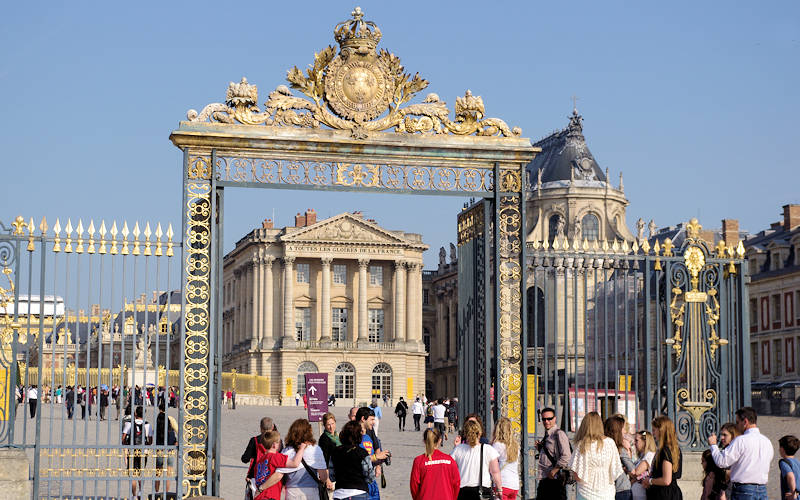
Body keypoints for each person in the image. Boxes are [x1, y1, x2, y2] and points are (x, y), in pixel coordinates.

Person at [708, 407, 772, 500]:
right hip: (762, 489)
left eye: (738, 422)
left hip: (744, 490)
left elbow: (721, 461)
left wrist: (713, 445)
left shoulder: (741, 440)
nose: (737, 426)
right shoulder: (767, 442)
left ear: (745, 422)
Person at [569, 411, 623, 500]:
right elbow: (616, 470)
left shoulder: (582, 444)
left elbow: (577, 474)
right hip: (607, 493)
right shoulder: (610, 443)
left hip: (585, 492)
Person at [276, 418, 330, 500]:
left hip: (292, 492)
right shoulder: (315, 449)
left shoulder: (286, 451)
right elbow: (323, 477)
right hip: (311, 492)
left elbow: (279, 474)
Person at [450, 419, 502, 500]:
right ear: (480, 433)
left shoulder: (458, 449)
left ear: (465, 433)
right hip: (482, 490)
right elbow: (495, 472)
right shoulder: (488, 449)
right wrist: (499, 489)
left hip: (463, 490)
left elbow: (451, 469)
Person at [251, 430, 308, 500]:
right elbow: (295, 463)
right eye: (279, 442)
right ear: (274, 445)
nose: (281, 444)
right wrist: (302, 448)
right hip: (269, 496)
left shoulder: (259, 461)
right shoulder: (275, 457)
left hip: (259, 497)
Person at [410, 427, 460, 500]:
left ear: (424, 441)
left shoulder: (419, 461)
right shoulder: (449, 460)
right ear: (440, 441)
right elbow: (456, 484)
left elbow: (414, 486)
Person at [331, 420, 374, 500]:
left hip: (339, 493)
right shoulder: (362, 452)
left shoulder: (335, 451)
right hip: (358, 492)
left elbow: (331, 475)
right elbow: (369, 476)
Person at [642, 415, 682, 500]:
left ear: (661, 431)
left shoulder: (665, 451)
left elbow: (666, 480)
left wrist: (649, 481)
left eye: (654, 430)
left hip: (663, 494)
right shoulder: (675, 449)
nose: (653, 433)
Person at [535, 407, 571, 500]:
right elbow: (552, 454)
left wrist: (555, 470)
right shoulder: (548, 434)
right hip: (545, 477)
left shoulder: (559, 434)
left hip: (555, 479)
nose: (546, 421)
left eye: (549, 419)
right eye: (544, 419)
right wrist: (540, 449)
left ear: (554, 418)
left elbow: (566, 455)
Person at [355, 407, 389, 500]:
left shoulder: (368, 434)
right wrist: (376, 457)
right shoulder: (353, 435)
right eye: (372, 419)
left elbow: (375, 449)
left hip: (371, 480)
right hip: (359, 483)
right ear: (363, 419)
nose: (374, 422)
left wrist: (380, 461)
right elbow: (355, 459)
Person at [122, 406, 153, 499]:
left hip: (132, 451)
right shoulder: (148, 425)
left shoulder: (129, 424)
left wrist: (126, 444)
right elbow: (150, 441)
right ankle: (140, 492)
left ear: (135, 414)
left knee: (133, 474)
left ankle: (133, 495)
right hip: (143, 452)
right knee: (141, 472)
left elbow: (123, 438)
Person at [605, 415, 635, 500]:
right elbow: (632, 470)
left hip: (608, 489)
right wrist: (628, 450)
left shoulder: (604, 446)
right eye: (623, 428)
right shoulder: (620, 448)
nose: (624, 431)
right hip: (622, 488)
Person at [491, 417, 520, 500]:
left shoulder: (497, 445)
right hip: (514, 484)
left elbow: (492, 465)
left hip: (502, 483)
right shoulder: (515, 445)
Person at [154, 402, 178, 496]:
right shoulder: (170, 419)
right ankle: (166, 493)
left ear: (159, 409)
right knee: (169, 472)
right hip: (170, 448)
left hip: (160, 448)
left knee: (158, 472)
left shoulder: (158, 418)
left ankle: (156, 492)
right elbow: (177, 430)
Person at [630, 431, 657, 500]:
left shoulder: (649, 454)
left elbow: (636, 472)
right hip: (637, 493)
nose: (634, 443)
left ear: (645, 442)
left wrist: (627, 469)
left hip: (642, 493)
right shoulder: (642, 455)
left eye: (636, 440)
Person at [778, 435, 800, 500]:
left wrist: (793, 494)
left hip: (791, 496)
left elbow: (790, 476)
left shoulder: (784, 462)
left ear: (782, 449)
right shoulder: (797, 462)